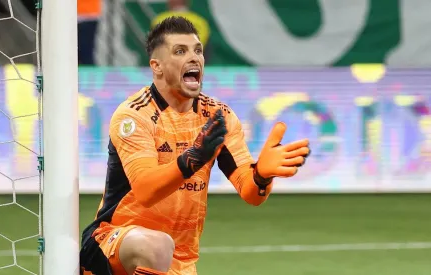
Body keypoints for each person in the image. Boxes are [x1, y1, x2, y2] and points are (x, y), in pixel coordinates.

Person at [80, 16, 310, 275]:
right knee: (156, 245)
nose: (194, 58)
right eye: (180, 51)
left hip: (180, 260)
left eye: (197, 50)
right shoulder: (135, 115)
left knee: (162, 249)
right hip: (113, 243)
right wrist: (193, 159)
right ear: (157, 66)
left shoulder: (217, 116)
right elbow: (145, 190)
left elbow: (251, 194)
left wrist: (262, 176)